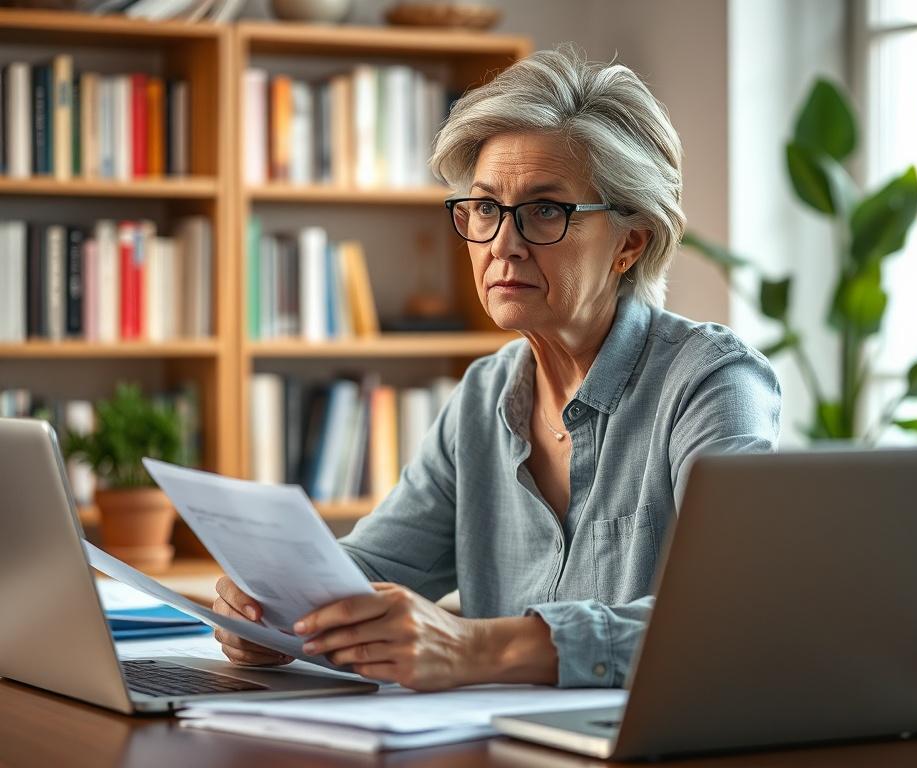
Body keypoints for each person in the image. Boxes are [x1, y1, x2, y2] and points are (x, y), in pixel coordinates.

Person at [213, 44, 781, 691]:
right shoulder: (485, 393)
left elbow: (737, 617)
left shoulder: (711, 382)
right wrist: (272, 604)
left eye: (545, 210)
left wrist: (477, 649)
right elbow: (373, 563)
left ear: (630, 242)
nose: (502, 245)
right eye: (484, 208)